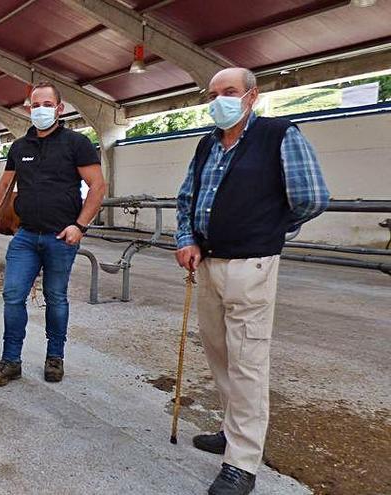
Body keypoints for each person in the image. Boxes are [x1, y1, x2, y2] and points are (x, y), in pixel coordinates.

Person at [175, 68, 329, 495]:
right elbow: (187, 198)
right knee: (219, 352)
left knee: (247, 360)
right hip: (207, 263)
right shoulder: (207, 143)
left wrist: (270, 228)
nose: (219, 100)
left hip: (252, 266)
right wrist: (187, 238)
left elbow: (312, 197)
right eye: (213, 94)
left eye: (229, 92)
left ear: (252, 96)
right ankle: (231, 429)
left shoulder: (280, 134)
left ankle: (242, 463)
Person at [0, 82, 105, 386]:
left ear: (60, 109)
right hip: (25, 235)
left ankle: (55, 358)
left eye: (47, 105)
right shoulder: (20, 147)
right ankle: (11, 361)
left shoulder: (77, 143)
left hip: (61, 237)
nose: (41, 110)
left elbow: (98, 186)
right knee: (12, 296)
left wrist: (80, 225)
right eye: (35, 105)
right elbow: (3, 186)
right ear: (28, 109)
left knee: (55, 297)